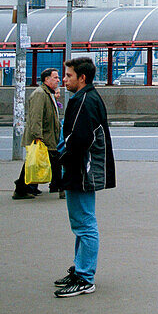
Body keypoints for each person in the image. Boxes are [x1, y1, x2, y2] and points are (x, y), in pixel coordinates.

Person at [54, 57, 116, 298]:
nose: (64, 80)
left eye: (68, 76)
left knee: (85, 223)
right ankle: (80, 269)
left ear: (82, 78)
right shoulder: (86, 98)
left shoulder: (84, 100)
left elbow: (79, 139)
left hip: (82, 169)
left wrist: (62, 157)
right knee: (81, 222)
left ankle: (85, 277)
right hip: (81, 168)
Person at [13, 68, 62, 199]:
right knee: (42, 162)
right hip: (43, 138)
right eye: (55, 77)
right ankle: (60, 188)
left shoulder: (47, 93)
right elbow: (36, 117)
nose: (58, 80)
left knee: (34, 163)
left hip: (48, 136)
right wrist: (38, 137)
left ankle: (25, 188)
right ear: (46, 79)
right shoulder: (40, 94)